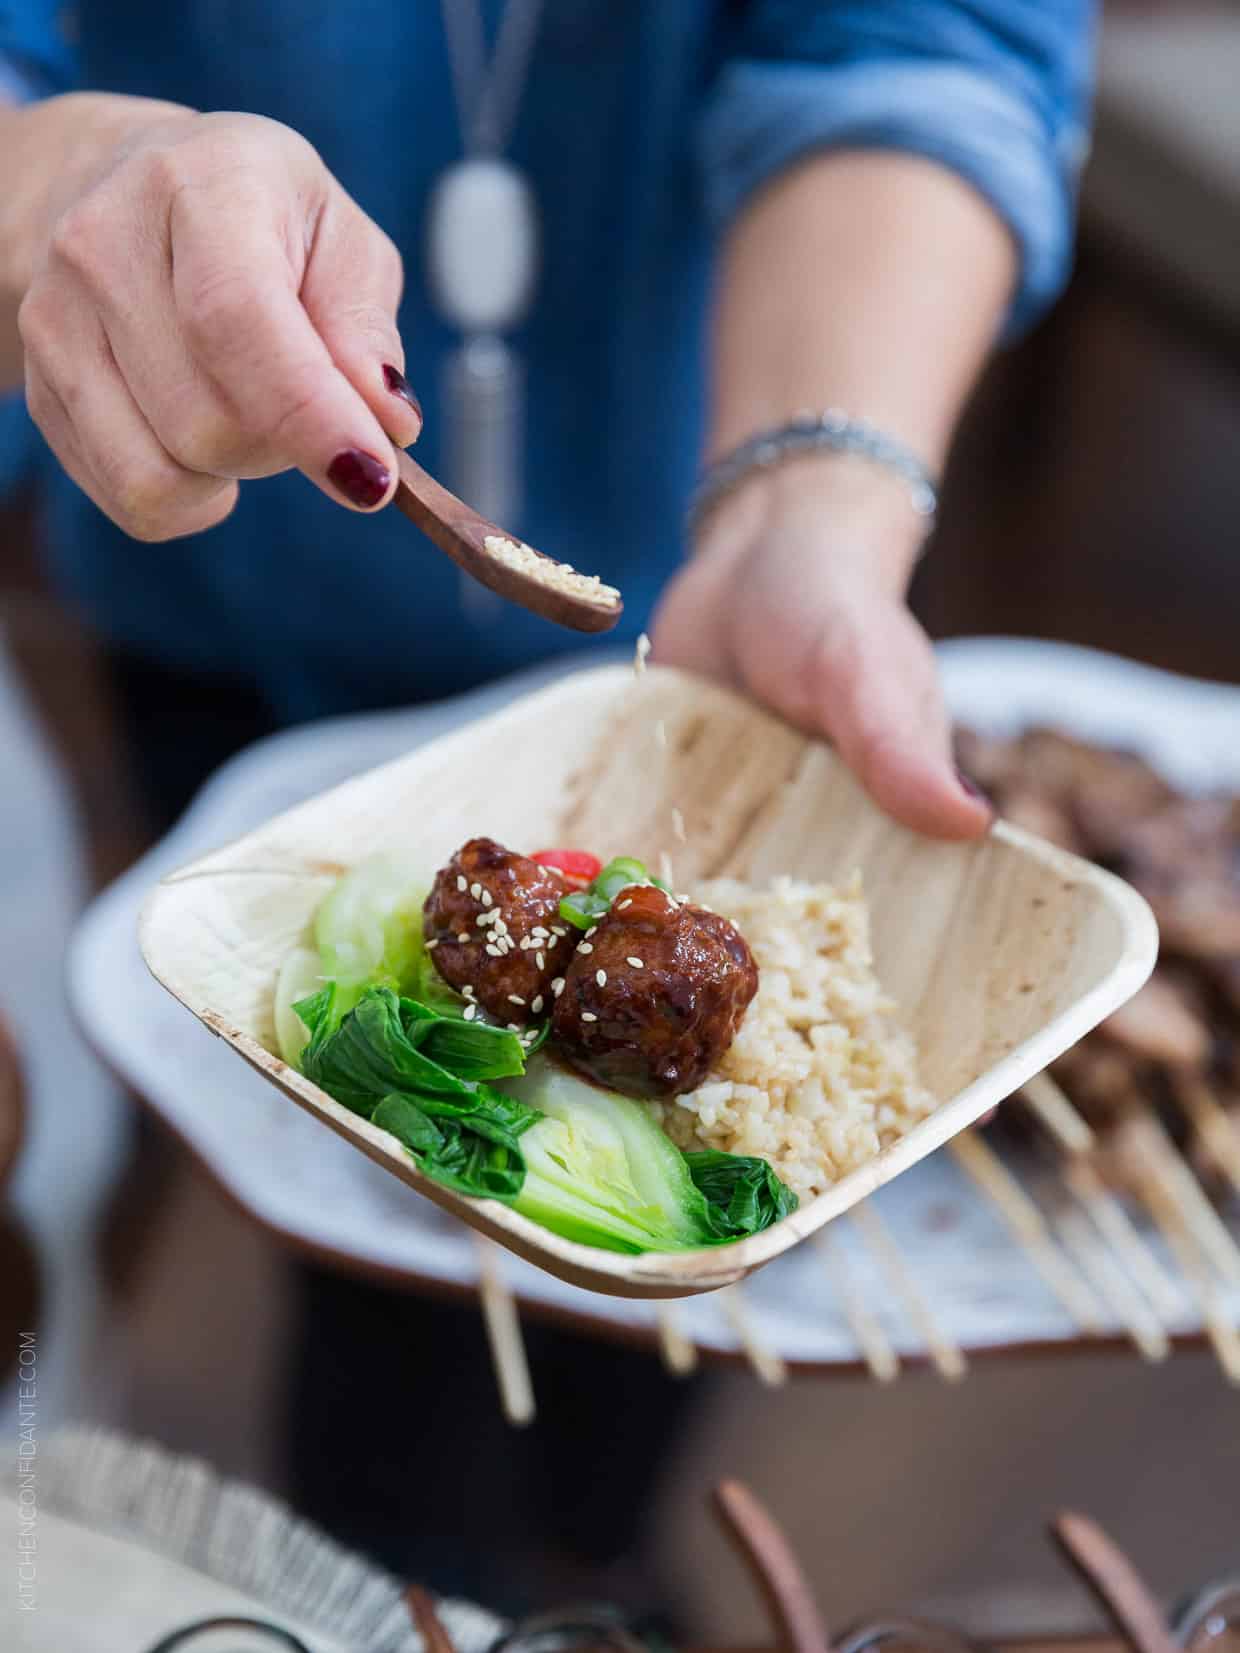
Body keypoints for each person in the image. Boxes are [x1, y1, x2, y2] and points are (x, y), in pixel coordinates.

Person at [0, 0, 1094, 1606]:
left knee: (660, 1284)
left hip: (696, 621)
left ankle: (595, 1550)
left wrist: (815, 504)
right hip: (228, 584)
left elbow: (923, 42)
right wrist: (48, 169)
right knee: (369, 1249)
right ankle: (394, 1574)